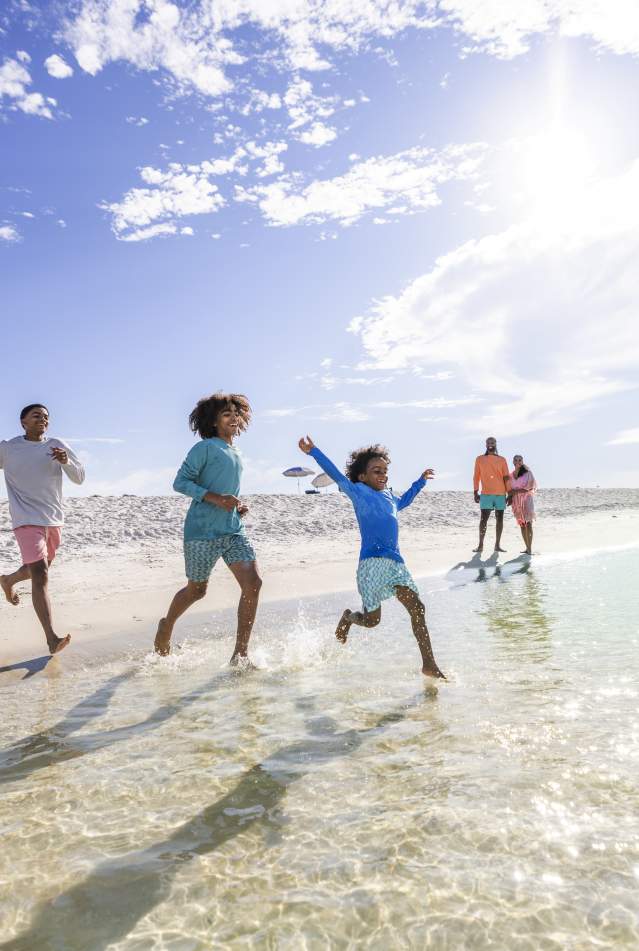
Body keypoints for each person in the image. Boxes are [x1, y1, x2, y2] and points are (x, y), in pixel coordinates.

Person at [298, 435, 445, 679]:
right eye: (376, 470)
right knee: (371, 621)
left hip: (396, 563)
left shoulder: (391, 498)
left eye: (385, 471)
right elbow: (335, 474)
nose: (383, 475)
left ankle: (428, 664)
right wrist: (314, 451)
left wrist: (420, 482)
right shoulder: (357, 492)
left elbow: (406, 499)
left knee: (417, 608)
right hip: (371, 564)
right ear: (362, 476)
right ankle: (348, 618)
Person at [154, 393, 262, 666]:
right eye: (226, 414)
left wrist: (236, 505)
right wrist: (216, 499)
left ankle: (240, 653)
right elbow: (180, 482)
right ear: (213, 422)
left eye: (236, 413)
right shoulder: (204, 448)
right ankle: (166, 625)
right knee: (197, 590)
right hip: (201, 531)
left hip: (233, 529)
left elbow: (228, 490)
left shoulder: (236, 452)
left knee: (254, 583)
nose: (234, 418)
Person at [0, 403, 85, 654]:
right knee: (41, 574)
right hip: (25, 518)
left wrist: (66, 461)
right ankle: (51, 638)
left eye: (46, 417)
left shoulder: (56, 445)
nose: (43, 420)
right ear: (23, 421)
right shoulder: (9, 448)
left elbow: (79, 477)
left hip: (53, 519)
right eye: (36, 415)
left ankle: (7, 580)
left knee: (37, 569)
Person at [473, 436, 510, 553]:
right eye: (489, 442)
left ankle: (497, 545)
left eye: (493, 442)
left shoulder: (502, 460)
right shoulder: (479, 459)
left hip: (500, 494)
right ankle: (480, 545)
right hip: (486, 493)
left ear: (495, 444)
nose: (490, 444)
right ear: (485, 445)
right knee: (483, 520)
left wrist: (510, 493)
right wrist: (475, 491)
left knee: (500, 519)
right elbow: (476, 476)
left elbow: (506, 477)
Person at [509, 454, 537, 555]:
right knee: (522, 524)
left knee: (528, 523)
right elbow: (509, 489)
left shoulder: (528, 473)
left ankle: (530, 549)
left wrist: (518, 490)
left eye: (520, 460)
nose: (518, 462)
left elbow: (531, 486)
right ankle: (527, 547)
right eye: (516, 460)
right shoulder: (511, 475)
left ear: (522, 461)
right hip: (516, 501)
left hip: (526, 499)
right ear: (513, 462)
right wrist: (510, 496)